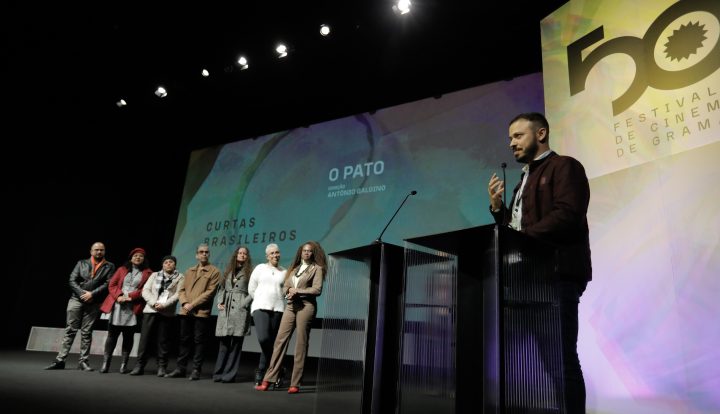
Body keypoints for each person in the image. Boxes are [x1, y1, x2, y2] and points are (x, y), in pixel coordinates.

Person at [487, 112, 591, 414]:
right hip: (527, 278)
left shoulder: (565, 166)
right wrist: (498, 210)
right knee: (546, 362)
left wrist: (521, 238)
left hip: (555, 275)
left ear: (541, 134)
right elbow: (517, 227)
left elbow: (567, 215)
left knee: (561, 361)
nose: (511, 143)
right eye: (510, 138)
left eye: (518, 135)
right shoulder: (523, 179)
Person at [256, 241, 326, 394]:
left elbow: (317, 289)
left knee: (301, 344)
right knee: (280, 341)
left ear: (313, 253)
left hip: (306, 306)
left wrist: (298, 291)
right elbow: (286, 287)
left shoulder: (317, 269)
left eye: (309, 251)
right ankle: (268, 379)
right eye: (304, 250)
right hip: (290, 306)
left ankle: (295, 383)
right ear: (300, 252)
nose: (306, 253)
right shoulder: (294, 269)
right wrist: (289, 291)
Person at [45, 242, 116, 371]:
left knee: (87, 332)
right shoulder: (81, 263)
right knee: (70, 330)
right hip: (76, 299)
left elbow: (108, 283)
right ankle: (60, 360)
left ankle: (83, 361)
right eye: (96, 249)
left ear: (104, 251)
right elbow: (72, 280)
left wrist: (92, 294)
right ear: (91, 251)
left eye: (101, 250)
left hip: (94, 302)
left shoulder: (109, 266)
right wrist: (83, 294)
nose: (99, 252)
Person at [165, 243, 221, 380]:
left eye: (206, 252)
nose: (204, 254)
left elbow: (210, 292)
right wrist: (185, 303)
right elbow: (181, 290)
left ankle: (196, 370)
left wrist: (193, 304)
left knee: (199, 341)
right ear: (196, 255)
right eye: (201, 252)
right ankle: (181, 368)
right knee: (184, 340)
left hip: (201, 312)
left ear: (209, 254)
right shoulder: (189, 270)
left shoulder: (215, 271)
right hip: (185, 311)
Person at [99, 247, 153, 373]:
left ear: (144, 259)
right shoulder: (121, 269)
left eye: (141, 256)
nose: (138, 257)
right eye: (135, 256)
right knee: (112, 335)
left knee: (128, 336)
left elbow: (146, 289)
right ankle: (106, 364)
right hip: (117, 305)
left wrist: (131, 297)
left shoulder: (148, 273)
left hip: (133, 307)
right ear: (131, 258)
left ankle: (124, 365)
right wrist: (119, 296)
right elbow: (112, 285)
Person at [129, 255, 184, 376]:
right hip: (151, 310)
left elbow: (178, 294)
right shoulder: (154, 275)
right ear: (162, 265)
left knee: (163, 341)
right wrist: (154, 303)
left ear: (175, 265)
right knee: (145, 340)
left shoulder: (180, 277)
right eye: (166, 262)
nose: (168, 264)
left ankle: (162, 367)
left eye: (171, 262)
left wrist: (164, 305)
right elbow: (145, 290)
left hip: (166, 312)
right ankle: (139, 366)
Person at [212, 246, 254, 383]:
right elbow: (221, 288)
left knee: (236, 344)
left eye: (244, 253)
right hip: (226, 309)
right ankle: (218, 373)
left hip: (240, 311)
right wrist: (220, 302)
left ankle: (229, 375)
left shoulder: (250, 272)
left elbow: (254, 291)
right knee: (223, 343)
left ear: (247, 256)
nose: (242, 255)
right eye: (239, 253)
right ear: (235, 255)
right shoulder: (228, 270)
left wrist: (244, 303)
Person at [247, 243, 286, 387]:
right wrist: (260, 298)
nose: (275, 255)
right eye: (272, 253)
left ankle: (262, 371)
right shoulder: (260, 268)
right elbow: (251, 288)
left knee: (271, 341)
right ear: (267, 256)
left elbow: (285, 291)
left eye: (277, 252)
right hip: (260, 307)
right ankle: (278, 369)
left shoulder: (284, 271)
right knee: (264, 339)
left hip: (278, 309)